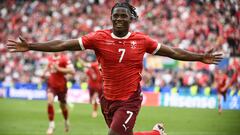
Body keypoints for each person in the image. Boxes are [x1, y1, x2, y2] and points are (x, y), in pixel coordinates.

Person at [6, 1, 223, 135]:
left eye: (123, 16)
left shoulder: (142, 40)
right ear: (111, 17)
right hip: (106, 99)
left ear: (130, 19)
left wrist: (199, 57)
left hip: (129, 99)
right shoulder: (99, 38)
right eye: (116, 15)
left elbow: (173, 52)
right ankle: (156, 133)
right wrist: (31, 46)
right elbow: (64, 44)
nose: (119, 19)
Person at [42, 53, 75, 135]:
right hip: (51, 85)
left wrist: (59, 68)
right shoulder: (50, 58)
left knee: (62, 106)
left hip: (62, 86)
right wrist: (43, 73)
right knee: (50, 101)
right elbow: (47, 67)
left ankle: (66, 121)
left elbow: (72, 71)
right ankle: (51, 126)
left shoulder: (65, 59)